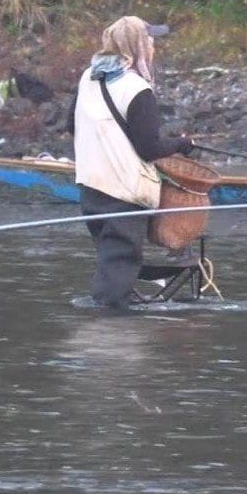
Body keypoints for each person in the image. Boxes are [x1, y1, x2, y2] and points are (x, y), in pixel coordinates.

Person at [68, 16, 193, 311]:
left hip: (90, 189)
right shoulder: (137, 89)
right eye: (150, 40)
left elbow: (71, 125)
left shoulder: (89, 77)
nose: (153, 46)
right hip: (123, 193)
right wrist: (181, 144)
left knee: (111, 258)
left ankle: (109, 314)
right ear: (138, 46)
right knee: (120, 259)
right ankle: (111, 329)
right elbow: (150, 149)